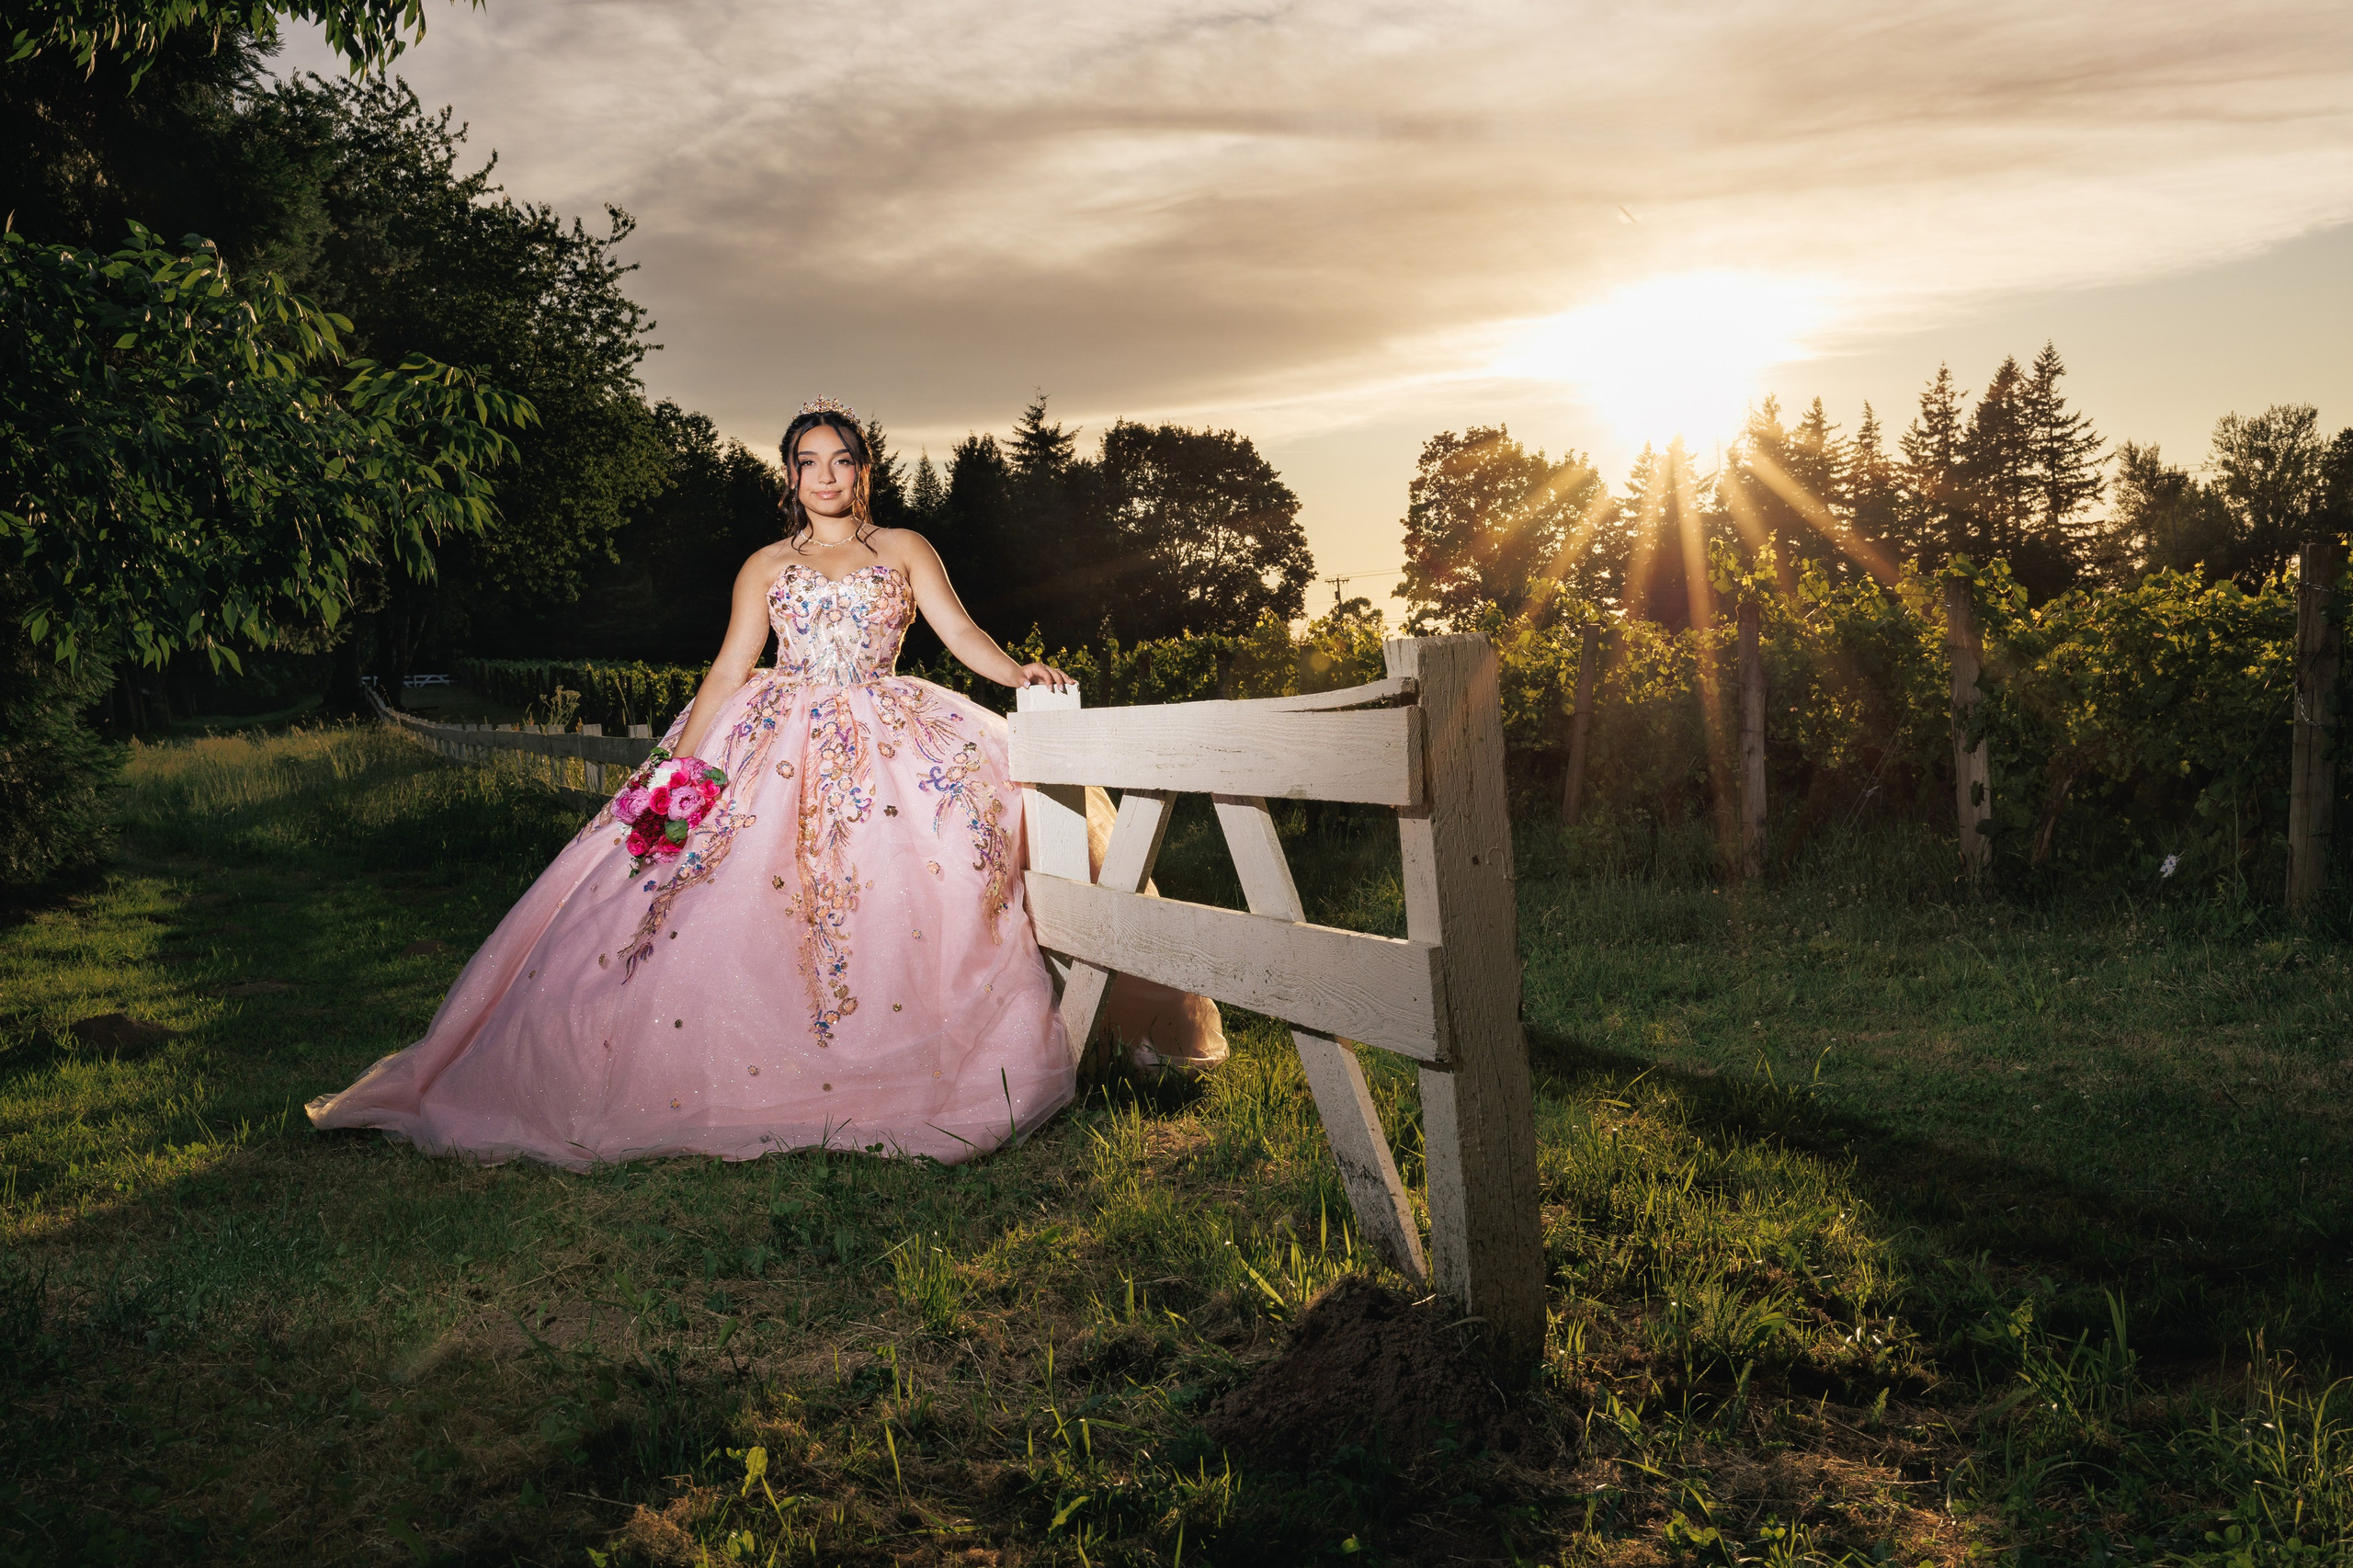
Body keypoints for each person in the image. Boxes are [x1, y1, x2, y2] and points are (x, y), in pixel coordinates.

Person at [309, 399, 1108, 1167]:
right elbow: (731, 667)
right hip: (777, 728)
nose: (824, 476)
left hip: (885, 725)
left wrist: (1016, 670)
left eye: (840, 460)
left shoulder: (903, 547)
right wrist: (678, 772)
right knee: (722, 887)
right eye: (807, 463)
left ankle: (911, 1048)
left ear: (863, 469)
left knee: (925, 861)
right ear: (789, 477)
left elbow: (958, 629)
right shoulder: (766, 563)